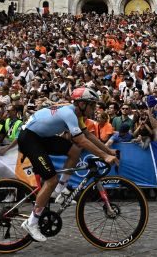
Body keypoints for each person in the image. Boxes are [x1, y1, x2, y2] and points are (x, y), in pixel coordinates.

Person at [17, 87, 118, 242]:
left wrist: (109, 151)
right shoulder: (69, 113)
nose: (94, 108)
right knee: (51, 179)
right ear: (81, 104)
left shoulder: (76, 114)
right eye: (92, 105)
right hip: (29, 138)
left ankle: (59, 191)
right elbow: (81, 139)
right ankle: (31, 223)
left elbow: (88, 135)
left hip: (41, 137)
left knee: (75, 152)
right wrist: (104, 156)